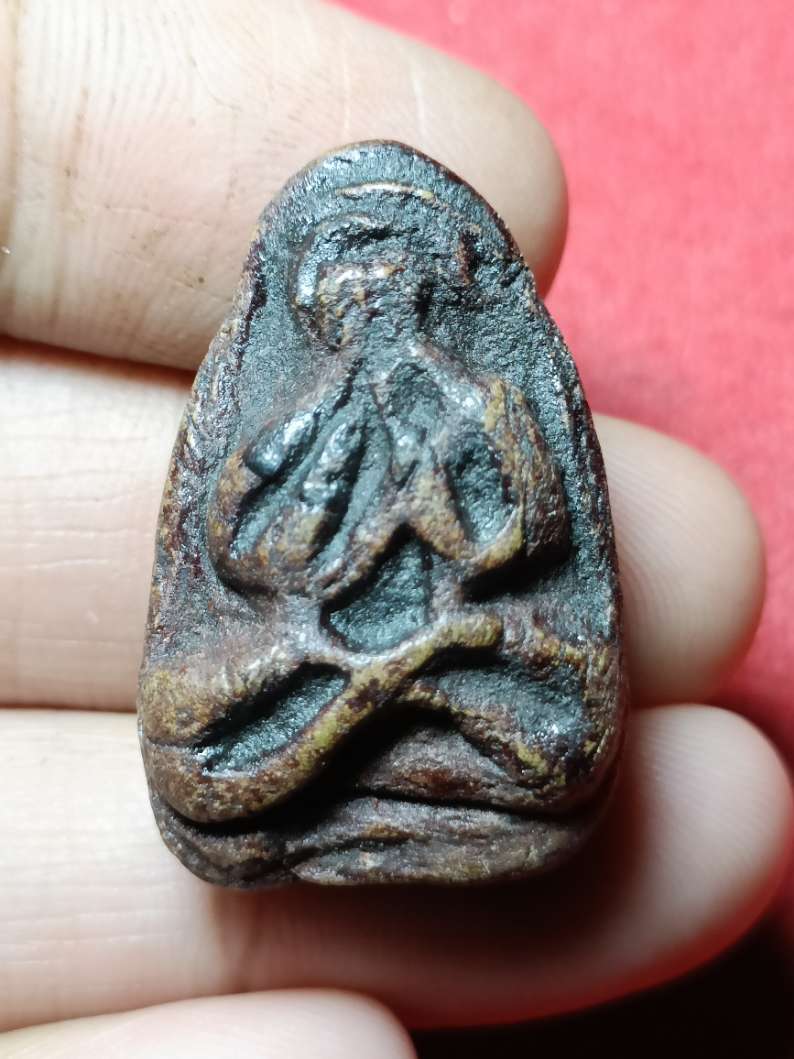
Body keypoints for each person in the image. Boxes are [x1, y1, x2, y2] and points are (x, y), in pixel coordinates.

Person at [0, 1, 790, 1054]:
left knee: (570, 746)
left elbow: (511, 546)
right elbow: (244, 556)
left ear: (426, 293)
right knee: (192, 756)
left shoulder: (483, 404)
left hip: (467, 653)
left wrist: (433, 430)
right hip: (314, 660)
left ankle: (378, 710)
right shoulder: (286, 427)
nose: (371, 308)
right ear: (319, 305)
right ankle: (374, 700)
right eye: (350, 292)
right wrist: (340, 474)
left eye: (392, 289)